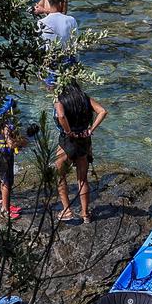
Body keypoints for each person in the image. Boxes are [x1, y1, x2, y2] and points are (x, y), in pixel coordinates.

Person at [53, 81, 106, 224]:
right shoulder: (84, 98)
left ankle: (67, 210)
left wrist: (69, 132)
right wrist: (90, 130)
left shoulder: (60, 100)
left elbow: (61, 116)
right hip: (84, 140)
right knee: (82, 179)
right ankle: (85, 214)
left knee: (60, 177)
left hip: (67, 142)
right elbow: (102, 111)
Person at [0, 95, 27, 220]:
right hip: (5, 156)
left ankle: (6, 205)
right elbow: (11, 143)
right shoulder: (6, 125)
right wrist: (22, 142)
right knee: (7, 182)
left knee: (5, 181)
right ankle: (5, 210)